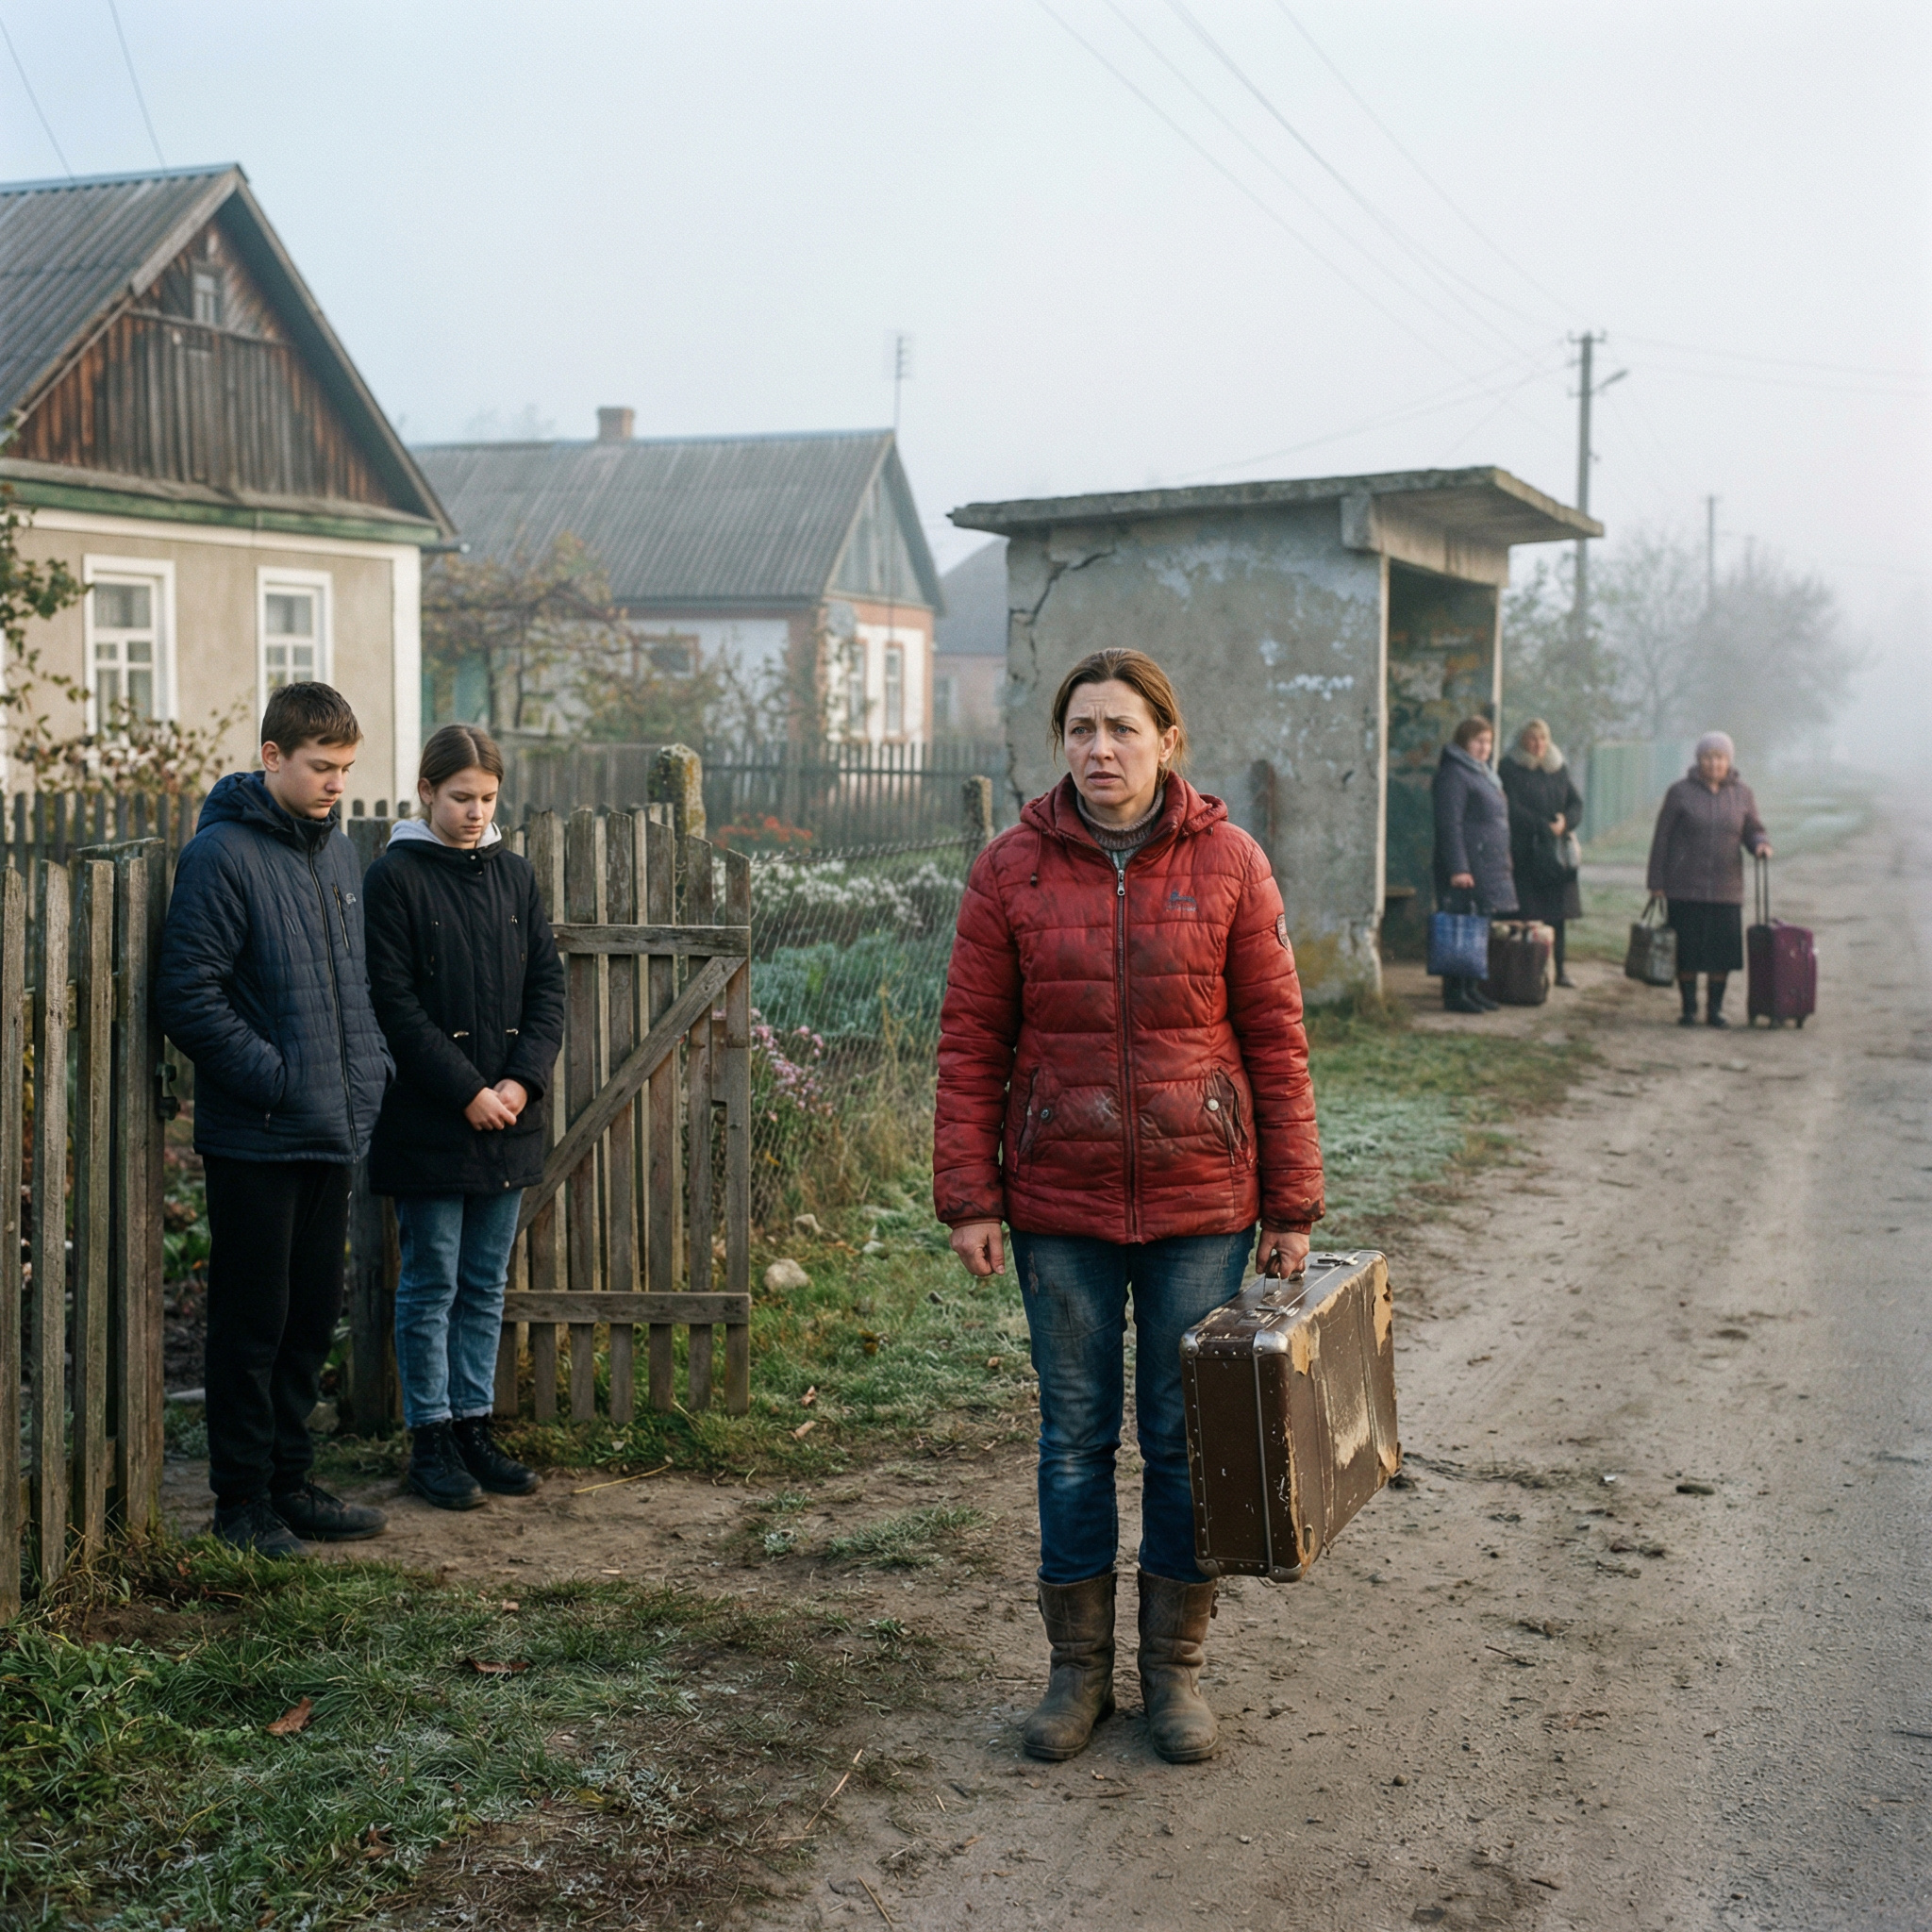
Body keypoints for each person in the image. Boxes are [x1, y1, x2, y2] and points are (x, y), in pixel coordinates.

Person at [934, 648, 1324, 1767]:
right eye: (1079, 730)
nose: (1097, 749)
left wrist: (1289, 1202)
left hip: (1202, 1201)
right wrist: (970, 1193)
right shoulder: (1009, 867)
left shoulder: (1230, 862)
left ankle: (1175, 1676)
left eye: (1120, 728)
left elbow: (1276, 1043)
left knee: (1179, 1441)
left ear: (1166, 740)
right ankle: (1074, 1676)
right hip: (1058, 1201)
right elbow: (969, 1044)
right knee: (1069, 1440)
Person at [157, 683, 393, 1558]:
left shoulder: (336, 851)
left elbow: (352, 981)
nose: (337, 784)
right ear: (271, 759)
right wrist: (282, 1078)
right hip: (258, 1133)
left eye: (345, 769)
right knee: (252, 1326)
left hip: (332, 1125)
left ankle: (292, 1485)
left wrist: (366, 1068)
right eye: (321, 768)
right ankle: (240, 1505)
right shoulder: (221, 856)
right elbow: (188, 995)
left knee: (306, 1320)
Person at [363, 725, 567, 1509]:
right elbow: (394, 1004)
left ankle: (476, 1428)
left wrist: (521, 1082)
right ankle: (431, 1442)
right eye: (459, 798)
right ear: (426, 792)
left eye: (486, 797)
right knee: (429, 1282)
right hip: (429, 1118)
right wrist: (465, 1091)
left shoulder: (515, 876)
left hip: (509, 1116)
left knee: (484, 1283)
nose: (475, 811)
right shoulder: (394, 878)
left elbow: (546, 987)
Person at [1645, 731, 1772, 1028]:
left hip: (1726, 890)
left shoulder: (1742, 793)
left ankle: (1714, 1010)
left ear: (1729, 761)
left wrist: (1760, 844)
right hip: (1684, 887)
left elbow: (1753, 828)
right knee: (1687, 952)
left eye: (1720, 757)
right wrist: (1657, 881)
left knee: (1721, 954)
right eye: (1708, 757)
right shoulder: (1679, 792)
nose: (1714, 763)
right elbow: (1661, 839)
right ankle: (1689, 1008)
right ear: (1698, 760)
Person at [1432, 715, 1518, 1014]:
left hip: (1485, 866)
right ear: (1463, 742)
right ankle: (1455, 993)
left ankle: (1471, 989)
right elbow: (1450, 825)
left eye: (1488, 742)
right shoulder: (1454, 775)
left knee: (1477, 927)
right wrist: (1458, 868)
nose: (1484, 747)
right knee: (1460, 927)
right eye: (1478, 741)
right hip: (1466, 867)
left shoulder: (1483, 773)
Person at [1500, 718, 1585, 988]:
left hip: (1555, 855)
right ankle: (1525, 971)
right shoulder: (1510, 767)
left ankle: (1560, 969)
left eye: (1543, 739)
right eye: (1532, 738)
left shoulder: (1557, 767)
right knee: (1525, 914)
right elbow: (1510, 806)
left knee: (1557, 915)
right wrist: (1542, 826)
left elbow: (1575, 803)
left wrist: (1564, 823)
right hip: (1525, 851)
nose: (1538, 745)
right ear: (1522, 740)